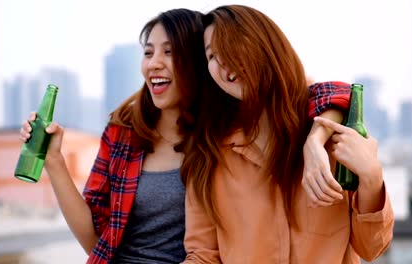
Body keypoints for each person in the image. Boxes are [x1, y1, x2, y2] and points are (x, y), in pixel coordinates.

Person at [20, 7, 351, 264]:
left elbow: (333, 93)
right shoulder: (124, 131)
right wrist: (54, 161)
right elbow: (97, 241)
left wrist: (316, 138)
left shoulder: (226, 133)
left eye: (170, 52)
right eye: (148, 52)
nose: (155, 63)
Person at [181, 5, 394, 264]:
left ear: (265, 46)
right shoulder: (208, 155)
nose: (222, 61)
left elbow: (372, 247)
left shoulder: (334, 138)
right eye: (211, 55)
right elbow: (203, 256)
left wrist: (371, 176)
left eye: (231, 44)